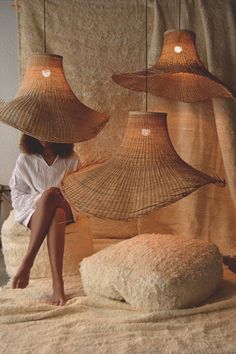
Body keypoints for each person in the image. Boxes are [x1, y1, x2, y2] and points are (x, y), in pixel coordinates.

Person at [9, 134, 80, 306]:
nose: (42, 136)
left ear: (57, 132)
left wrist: (50, 196)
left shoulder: (71, 159)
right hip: (33, 211)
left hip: (67, 206)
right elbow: (17, 196)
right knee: (55, 212)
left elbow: (79, 193)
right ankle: (58, 284)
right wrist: (40, 200)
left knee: (52, 196)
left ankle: (27, 262)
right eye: (37, 131)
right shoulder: (25, 160)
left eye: (47, 131)